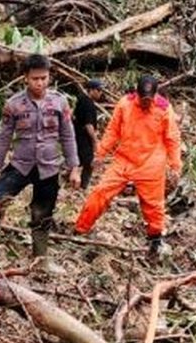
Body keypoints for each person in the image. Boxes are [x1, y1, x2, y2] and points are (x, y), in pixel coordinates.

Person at [0, 54, 80, 273]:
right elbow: (4, 137)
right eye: (35, 78)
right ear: (25, 79)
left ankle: (41, 260)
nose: (40, 83)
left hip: (48, 167)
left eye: (44, 78)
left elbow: (68, 136)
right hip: (20, 165)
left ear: (49, 77)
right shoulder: (14, 105)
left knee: (42, 213)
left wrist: (74, 167)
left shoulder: (59, 102)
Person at [74, 75, 182, 257]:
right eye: (143, 99)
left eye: (150, 99)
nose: (146, 103)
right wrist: (100, 153)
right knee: (100, 192)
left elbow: (172, 138)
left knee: (154, 205)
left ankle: (155, 239)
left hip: (151, 162)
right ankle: (80, 229)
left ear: (156, 95)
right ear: (136, 94)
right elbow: (113, 131)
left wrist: (175, 165)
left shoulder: (164, 109)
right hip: (124, 160)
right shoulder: (125, 104)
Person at [73, 80, 103, 189]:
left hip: (77, 135)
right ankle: (83, 186)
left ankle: (72, 178)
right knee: (89, 163)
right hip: (84, 137)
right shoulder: (88, 103)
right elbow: (88, 125)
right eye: (99, 90)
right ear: (92, 90)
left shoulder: (81, 99)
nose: (101, 93)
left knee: (79, 159)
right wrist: (95, 140)